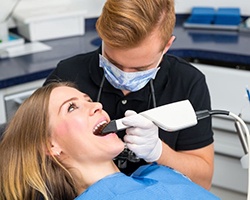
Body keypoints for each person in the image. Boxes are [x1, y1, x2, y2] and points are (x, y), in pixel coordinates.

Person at [44, 0, 214, 189]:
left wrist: (159, 152)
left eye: (140, 68)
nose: (125, 75)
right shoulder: (68, 75)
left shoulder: (187, 82)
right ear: (101, 33)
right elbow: (29, 152)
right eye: (113, 63)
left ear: (167, 45)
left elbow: (203, 182)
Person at [0, 82, 220, 200]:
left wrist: (158, 151)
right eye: (72, 107)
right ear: (50, 146)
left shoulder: (158, 173)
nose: (97, 105)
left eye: (88, 99)